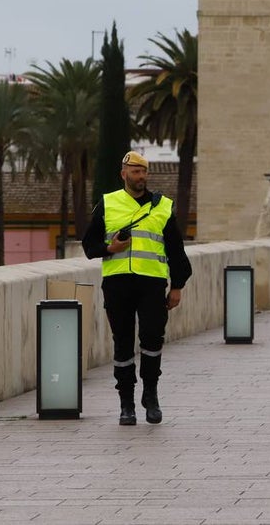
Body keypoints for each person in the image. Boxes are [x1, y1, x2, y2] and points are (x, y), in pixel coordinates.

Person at [82, 151, 192, 425]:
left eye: (143, 172)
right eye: (135, 171)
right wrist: (110, 248)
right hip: (118, 284)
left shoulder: (162, 207)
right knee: (122, 343)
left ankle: (151, 395)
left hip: (152, 284)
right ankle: (126, 403)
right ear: (124, 174)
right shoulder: (108, 204)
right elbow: (88, 246)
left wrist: (177, 286)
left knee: (153, 339)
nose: (140, 176)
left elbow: (176, 250)